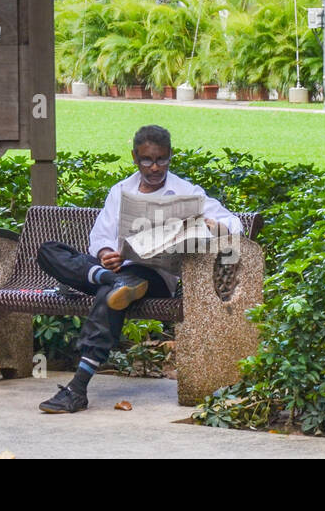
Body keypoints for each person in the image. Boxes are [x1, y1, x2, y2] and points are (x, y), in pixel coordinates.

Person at [35, 124, 243, 414]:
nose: (155, 167)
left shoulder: (186, 192)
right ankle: (109, 279)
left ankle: (78, 388)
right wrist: (106, 254)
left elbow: (236, 224)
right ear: (135, 157)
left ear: (170, 156)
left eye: (161, 160)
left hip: (153, 277)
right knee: (48, 251)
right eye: (147, 160)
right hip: (117, 270)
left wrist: (215, 226)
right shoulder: (120, 191)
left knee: (116, 291)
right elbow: (100, 238)